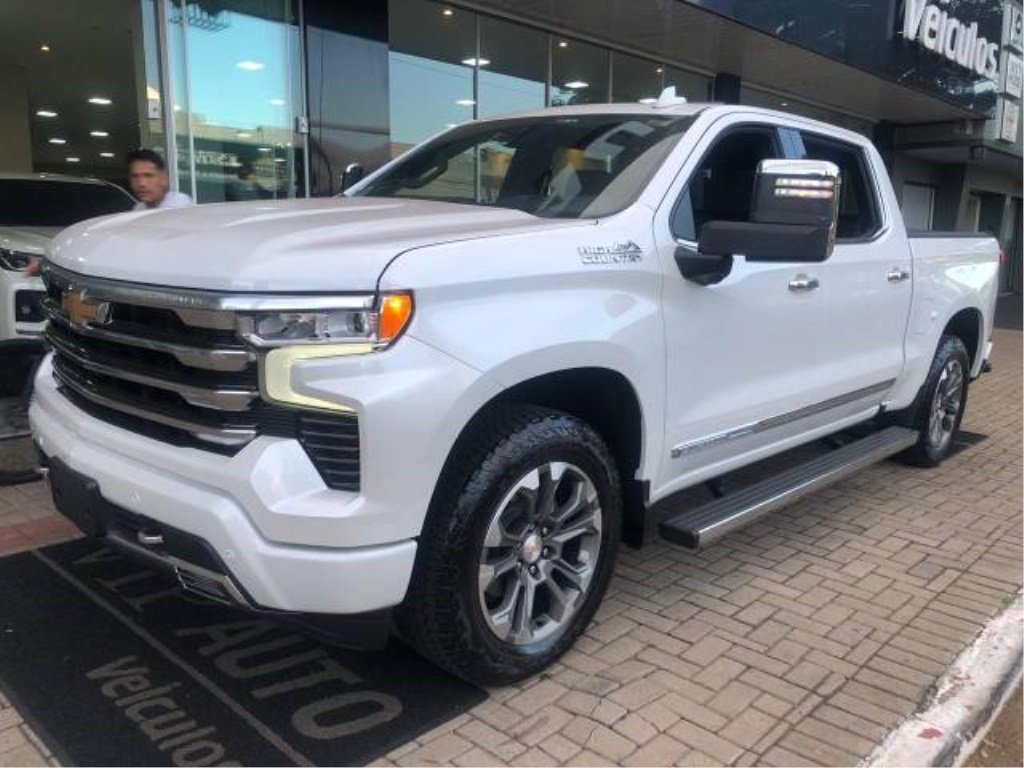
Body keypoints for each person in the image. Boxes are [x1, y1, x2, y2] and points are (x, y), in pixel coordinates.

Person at [126, 148, 193, 210]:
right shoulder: (138, 210)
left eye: (148, 176)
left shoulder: (180, 205)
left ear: (164, 177)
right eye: (135, 176)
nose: (141, 183)